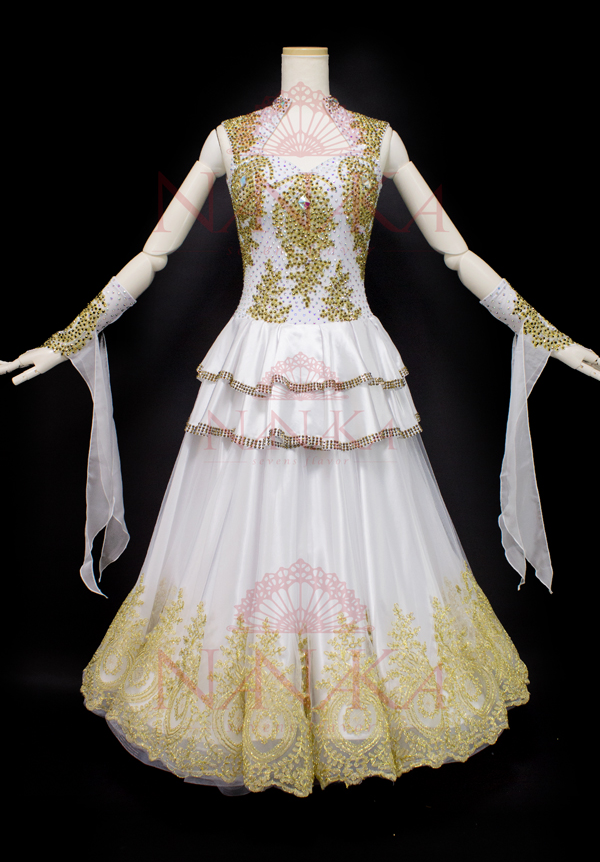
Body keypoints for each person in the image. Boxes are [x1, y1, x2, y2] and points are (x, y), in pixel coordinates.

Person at [2, 47, 598, 796]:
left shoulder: (377, 139)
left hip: (347, 366)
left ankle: (353, 715)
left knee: (364, 534)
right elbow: (154, 253)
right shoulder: (231, 138)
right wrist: (72, 335)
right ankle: (264, 715)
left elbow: (458, 252)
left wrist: (544, 333)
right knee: (251, 533)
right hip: (263, 365)